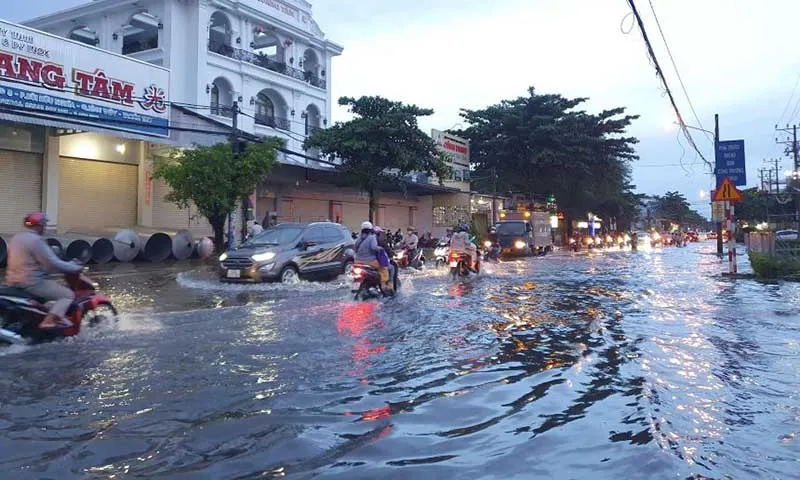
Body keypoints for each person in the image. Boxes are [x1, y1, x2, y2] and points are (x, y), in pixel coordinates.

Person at [5, 212, 83, 329]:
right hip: (32, 283)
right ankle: (48, 321)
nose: (45, 228)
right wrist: (75, 267)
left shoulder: (17, 238)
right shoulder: (36, 241)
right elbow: (53, 263)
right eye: (44, 225)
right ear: (40, 225)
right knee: (67, 295)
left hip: (13, 282)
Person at [354, 221, 391, 292]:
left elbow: (355, 248)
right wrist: (380, 248)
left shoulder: (359, 238)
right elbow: (373, 247)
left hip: (357, 261)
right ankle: (383, 285)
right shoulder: (372, 237)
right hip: (370, 261)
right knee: (383, 268)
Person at [374, 226, 396, 293]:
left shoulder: (363, 240)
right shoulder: (380, 240)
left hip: (362, 262)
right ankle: (390, 286)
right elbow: (388, 249)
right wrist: (392, 254)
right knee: (391, 268)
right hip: (375, 262)